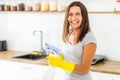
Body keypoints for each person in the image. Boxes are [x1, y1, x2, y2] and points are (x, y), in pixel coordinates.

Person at [45, 1, 97, 80]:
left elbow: (85, 69)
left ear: (84, 17)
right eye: (71, 14)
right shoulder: (69, 34)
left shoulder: (89, 39)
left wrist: (61, 64)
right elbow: (70, 58)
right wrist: (58, 55)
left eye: (77, 14)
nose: (73, 18)